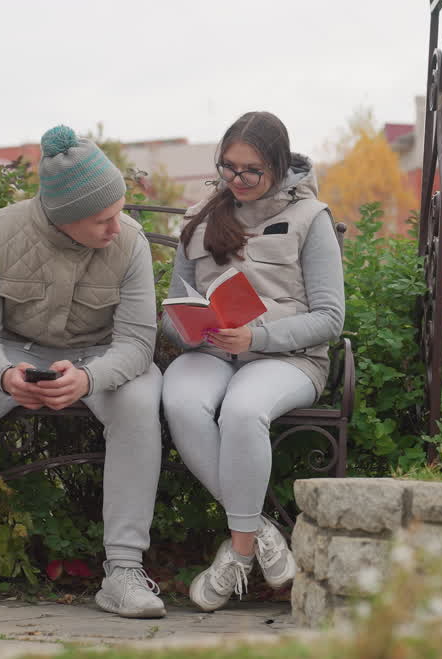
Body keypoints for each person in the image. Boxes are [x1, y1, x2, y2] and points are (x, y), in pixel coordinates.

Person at [0, 126, 165, 619]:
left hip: (100, 358)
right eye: (103, 219)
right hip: (14, 354)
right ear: (65, 217)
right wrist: (5, 374)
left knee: (137, 400)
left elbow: (137, 342)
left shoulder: (129, 243)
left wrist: (89, 379)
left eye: (119, 211)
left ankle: (124, 572)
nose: (118, 226)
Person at [161, 111, 345, 612]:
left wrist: (256, 337)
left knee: (242, 411)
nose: (237, 181)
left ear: (280, 167)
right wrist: (184, 325)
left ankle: (239, 554)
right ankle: (260, 529)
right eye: (228, 168)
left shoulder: (312, 219)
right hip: (211, 351)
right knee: (179, 400)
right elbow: (173, 308)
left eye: (251, 171)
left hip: (288, 357)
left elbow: (330, 318)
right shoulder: (199, 217)